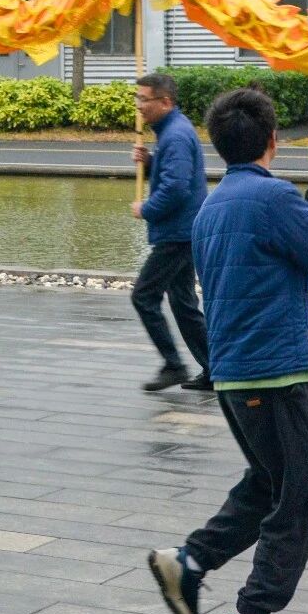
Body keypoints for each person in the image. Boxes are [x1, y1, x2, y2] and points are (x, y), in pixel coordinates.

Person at [148, 87, 308, 614]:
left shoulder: (213, 206)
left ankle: (191, 561)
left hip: (235, 370)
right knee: (304, 485)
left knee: (269, 481)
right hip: (274, 373)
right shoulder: (273, 198)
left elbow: (255, 277)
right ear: (272, 140)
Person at [130, 72, 211, 392]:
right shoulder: (171, 131)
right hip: (184, 231)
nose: (139, 105)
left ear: (165, 102)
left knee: (144, 295)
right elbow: (173, 175)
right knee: (184, 303)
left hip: (178, 234)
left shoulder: (175, 135)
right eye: (137, 98)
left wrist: (146, 209)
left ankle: (174, 365)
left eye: (144, 99)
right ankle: (216, 369)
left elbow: (176, 189)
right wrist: (150, 162)